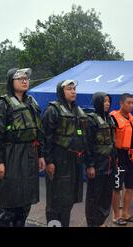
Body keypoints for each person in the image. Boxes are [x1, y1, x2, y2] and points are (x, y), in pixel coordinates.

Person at [0, 68, 45, 227]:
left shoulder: (31, 103)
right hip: (10, 156)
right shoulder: (2, 105)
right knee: (8, 203)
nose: (24, 80)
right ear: (10, 81)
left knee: (25, 201)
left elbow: (38, 131)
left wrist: (40, 155)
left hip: (29, 155)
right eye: (20, 77)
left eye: (26, 77)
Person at [43, 80, 88, 227]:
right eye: (69, 89)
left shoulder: (77, 110)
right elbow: (46, 138)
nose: (73, 91)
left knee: (68, 200)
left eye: (74, 89)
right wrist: (49, 161)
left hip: (74, 161)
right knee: (55, 202)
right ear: (61, 91)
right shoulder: (52, 110)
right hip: (58, 160)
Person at [85, 92, 116, 227]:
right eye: (104, 101)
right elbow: (88, 144)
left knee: (106, 196)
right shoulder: (91, 120)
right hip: (97, 165)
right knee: (94, 196)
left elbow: (113, 143)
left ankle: (100, 222)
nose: (107, 104)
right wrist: (90, 165)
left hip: (109, 164)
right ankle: (93, 223)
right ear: (98, 102)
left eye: (108, 101)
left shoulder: (110, 119)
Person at [110, 93, 133, 225]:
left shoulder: (132, 118)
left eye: (132, 103)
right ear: (121, 103)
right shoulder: (113, 118)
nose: (131, 105)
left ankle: (126, 213)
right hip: (119, 157)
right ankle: (116, 216)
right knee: (117, 188)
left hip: (132, 157)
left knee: (131, 186)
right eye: (128, 103)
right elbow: (110, 140)